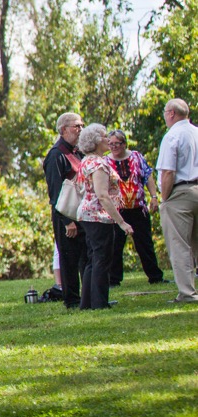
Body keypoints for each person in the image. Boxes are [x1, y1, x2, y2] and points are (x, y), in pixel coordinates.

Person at [75, 122, 134, 310]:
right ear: (95, 141)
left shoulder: (87, 160)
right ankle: (99, 303)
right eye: (104, 136)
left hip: (88, 215)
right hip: (97, 215)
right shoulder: (98, 164)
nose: (108, 139)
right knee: (102, 258)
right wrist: (121, 222)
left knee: (93, 259)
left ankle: (88, 302)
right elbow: (102, 195)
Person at [107, 129, 164, 286]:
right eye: (110, 144)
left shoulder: (137, 157)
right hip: (117, 210)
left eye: (117, 143)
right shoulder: (105, 161)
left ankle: (155, 276)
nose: (113, 147)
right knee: (115, 245)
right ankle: (113, 279)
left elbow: (147, 176)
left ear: (124, 143)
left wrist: (154, 197)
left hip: (138, 208)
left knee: (144, 243)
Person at [156, 98, 198, 304]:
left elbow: (168, 172)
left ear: (171, 113)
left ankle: (187, 293)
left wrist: (165, 199)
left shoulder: (172, 135)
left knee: (180, 245)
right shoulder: (196, 132)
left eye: (165, 112)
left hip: (180, 192)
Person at [43, 112, 85, 309]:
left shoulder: (78, 152)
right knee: (68, 259)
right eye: (76, 126)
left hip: (80, 213)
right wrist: (67, 222)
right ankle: (72, 300)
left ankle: (88, 297)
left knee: (85, 257)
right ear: (63, 130)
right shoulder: (56, 155)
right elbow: (55, 192)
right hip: (65, 216)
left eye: (82, 125)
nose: (80, 129)